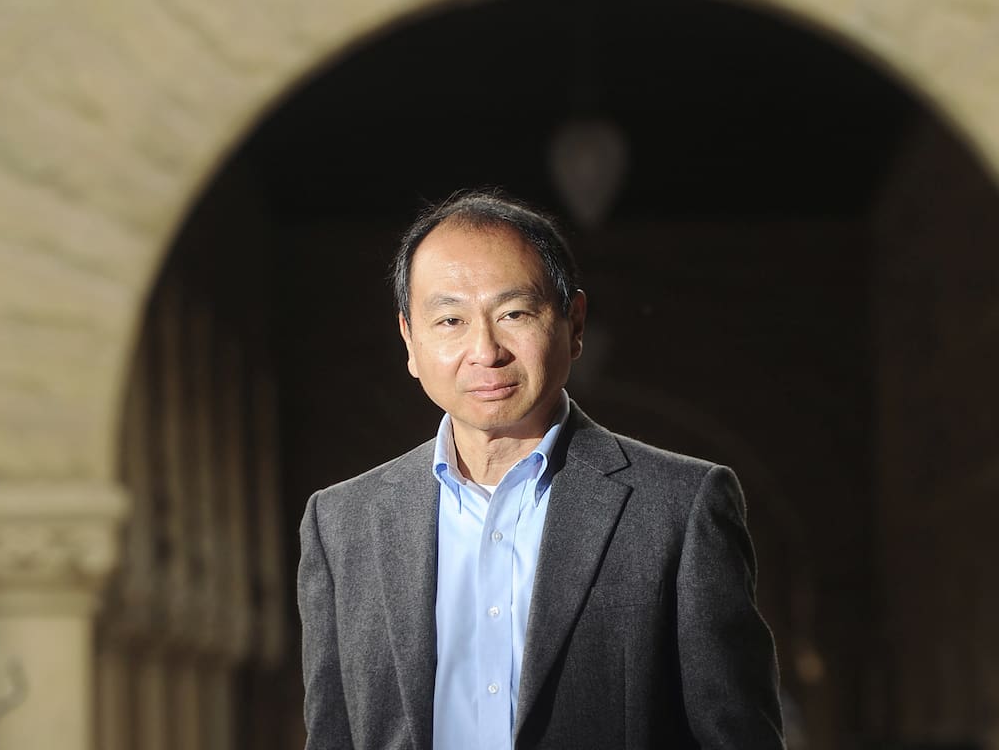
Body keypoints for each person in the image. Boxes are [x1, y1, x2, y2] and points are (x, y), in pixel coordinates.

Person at [298, 190, 785, 750]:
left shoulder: (680, 507)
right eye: (450, 319)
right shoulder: (341, 524)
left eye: (514, 314)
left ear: (573, 323)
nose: (484, 350)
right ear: (410, 339)